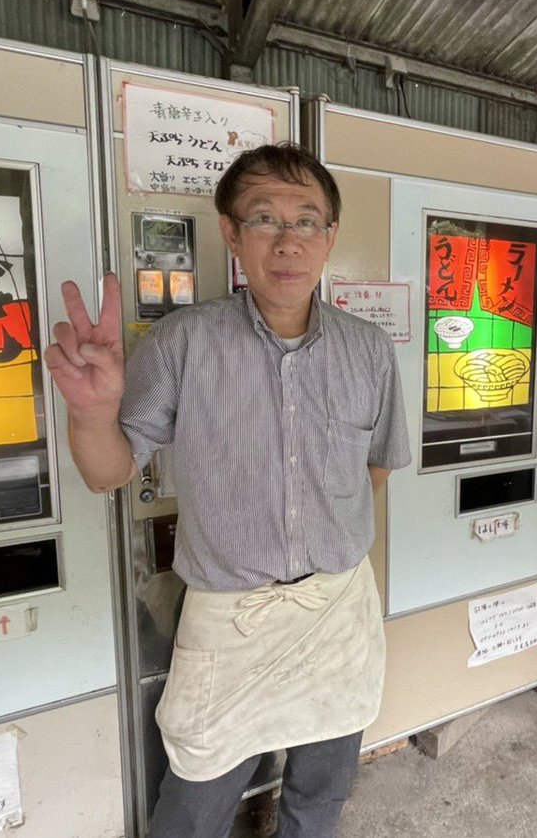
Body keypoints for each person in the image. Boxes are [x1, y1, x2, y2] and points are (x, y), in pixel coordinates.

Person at [44, 142, 411, 838]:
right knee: (194, 806)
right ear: (230, 233)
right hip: (229, 620)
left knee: (321, 793)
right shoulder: (184, 342)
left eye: (307, 220)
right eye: (265, 218)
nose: (288, 240)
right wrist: (92, 413)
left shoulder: (368, 349)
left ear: (331, 236)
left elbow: (376, 470)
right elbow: (107, 471)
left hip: (336, 609)